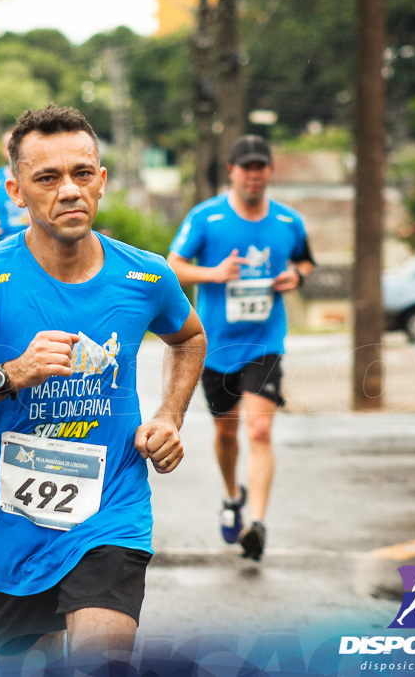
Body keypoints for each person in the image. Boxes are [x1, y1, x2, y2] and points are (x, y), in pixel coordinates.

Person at [0, 105, 206, 673]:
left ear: (102, 181)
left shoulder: (145, 277)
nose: (69, 191)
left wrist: (170, 416)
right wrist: (11, 374)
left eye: (82, 173)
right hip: (7, 533)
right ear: (15, 191)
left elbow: (188, 338)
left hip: (109, 515)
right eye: (48, 178)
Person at [167, 134, 314, 562]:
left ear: (270, 171)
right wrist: (214, 274)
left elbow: (305, 260)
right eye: (245, 167)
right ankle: (233, 495)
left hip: (264, 342)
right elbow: (173, 265)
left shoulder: (289, 222)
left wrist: (297, 278)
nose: (253, 175)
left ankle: (258, 524)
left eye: (261, 167)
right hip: (214, 345)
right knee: (226, 432)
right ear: (231, 170)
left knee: (260, 430)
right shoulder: (206, 218)